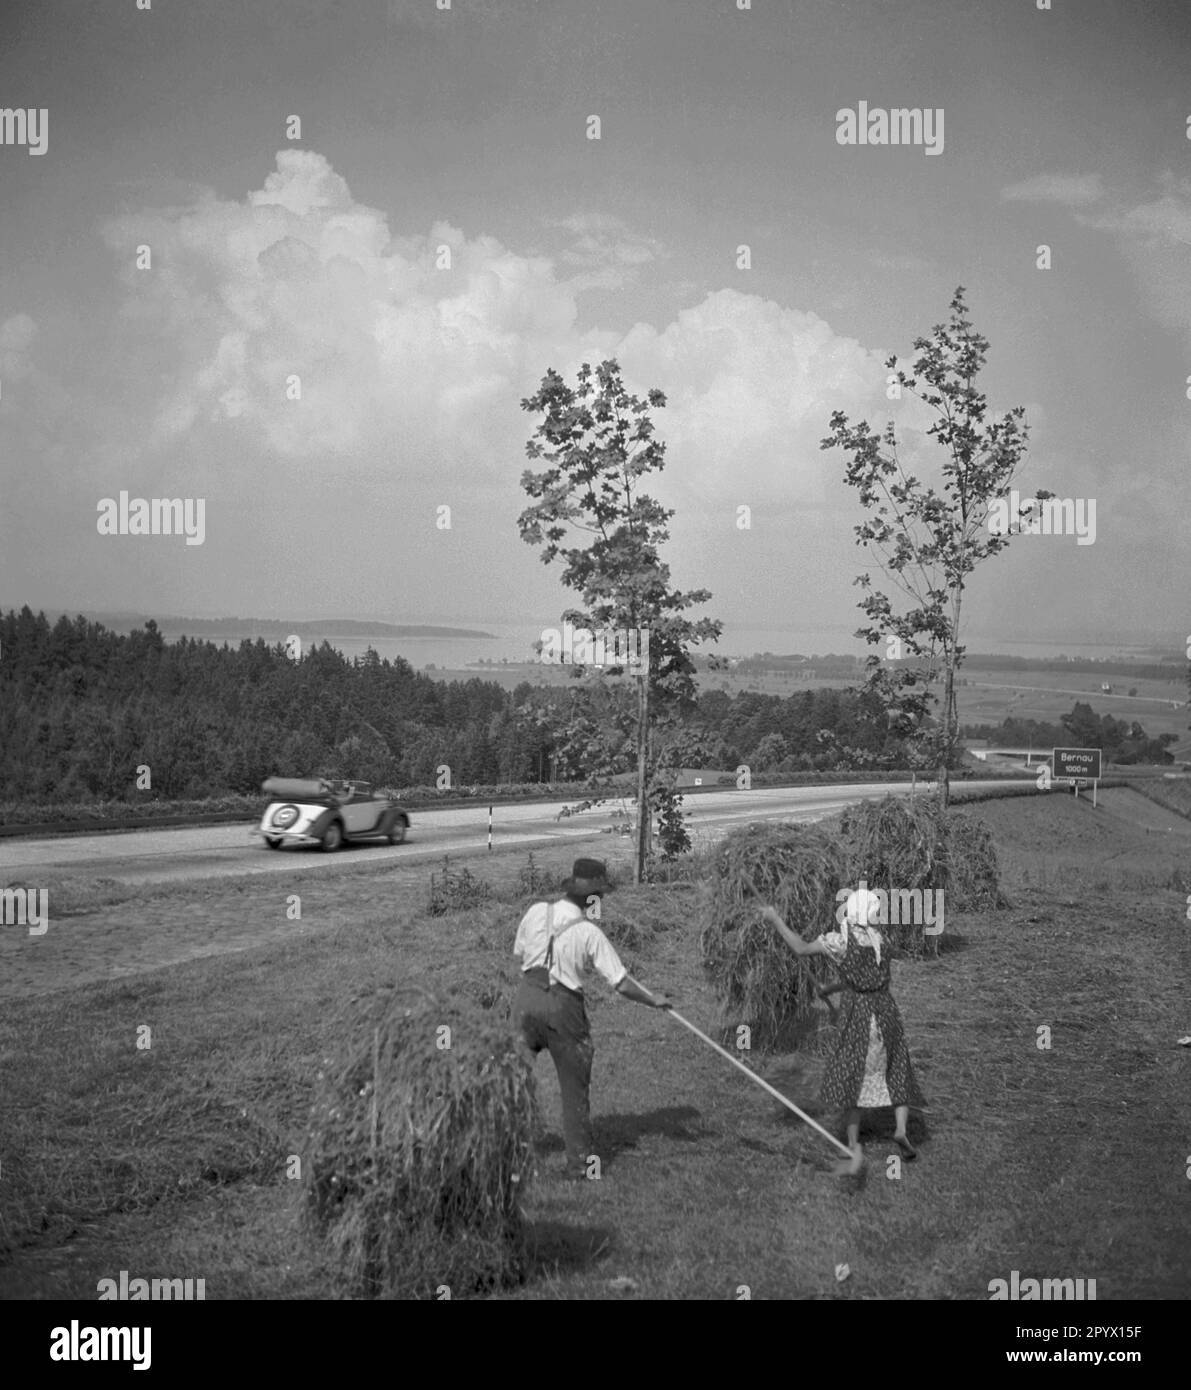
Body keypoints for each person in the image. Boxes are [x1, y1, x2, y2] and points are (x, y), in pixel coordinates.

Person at [512, 857, 670, 1178]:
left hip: (524, 1001)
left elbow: (519, 955)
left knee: (511, 1081)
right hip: (563, 1010)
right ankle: (582, 1166)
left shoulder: (535, 911)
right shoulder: (589, 932)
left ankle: (505, 1152)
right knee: (574, 1088)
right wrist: (654, 1000)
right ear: (594, 898)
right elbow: (622, 983)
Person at [762, 887, 925, 1163]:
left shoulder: (839, 941)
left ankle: (851, 1142)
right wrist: (831, 988)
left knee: (853, 1073)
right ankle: (899, 1129)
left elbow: (800, 948)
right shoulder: (880, 939)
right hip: (886, 1012)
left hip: (858, 1015)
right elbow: (869, 977)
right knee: (896, 1068)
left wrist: (775, 918)